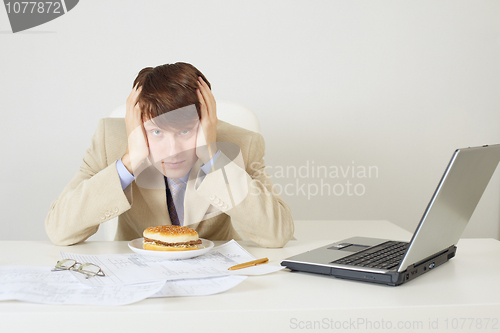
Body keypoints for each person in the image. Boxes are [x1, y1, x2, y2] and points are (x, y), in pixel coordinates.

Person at [45, 62, 294, 247]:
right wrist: (131, 160)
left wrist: (212, 156)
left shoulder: (241, 144)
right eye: (156, 132)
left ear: (207, 121)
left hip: (215, 277)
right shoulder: (109, 140)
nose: (173, 151)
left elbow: (277, 234)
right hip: (136, 275)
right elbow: (59, 230)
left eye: (185, 131)